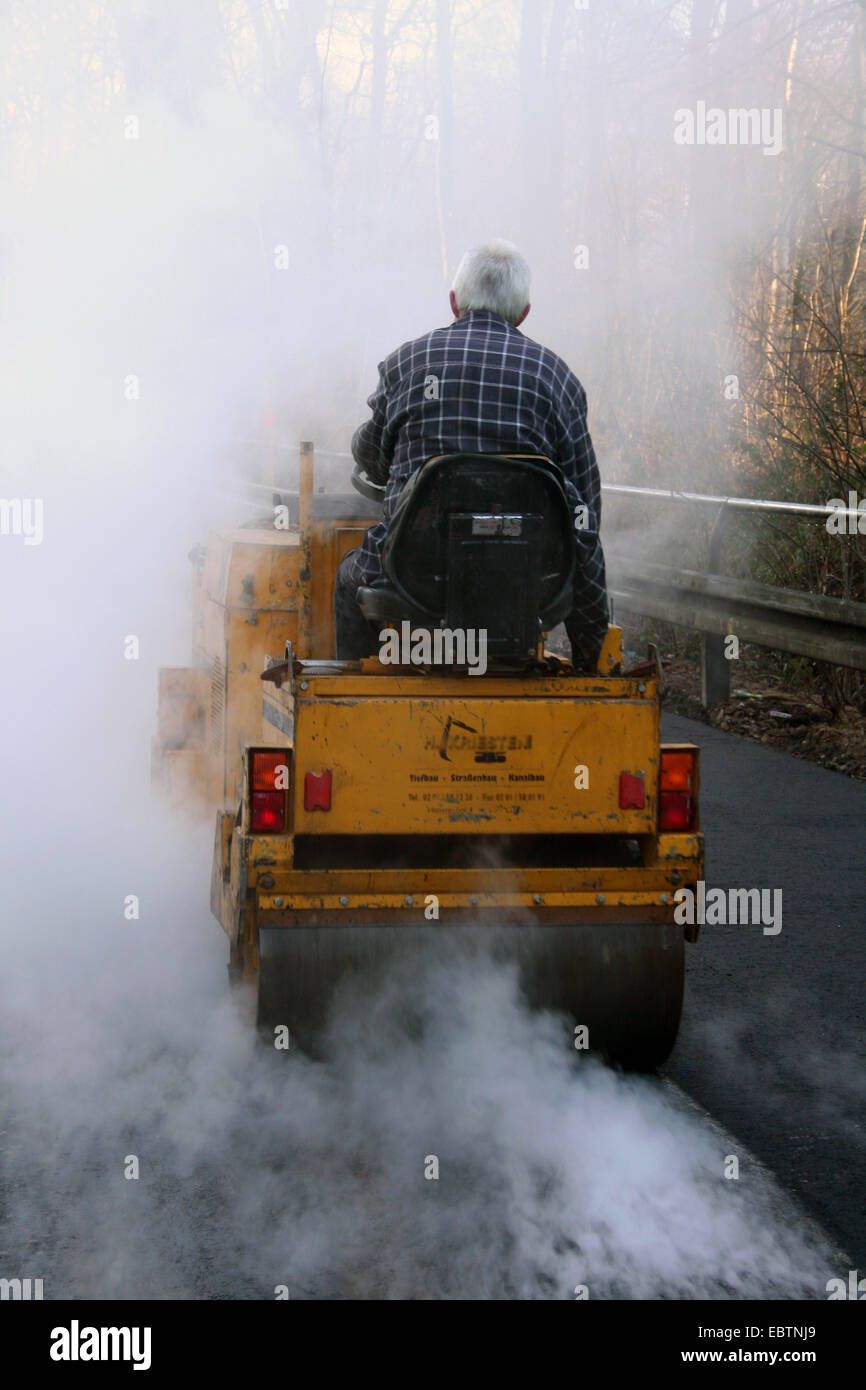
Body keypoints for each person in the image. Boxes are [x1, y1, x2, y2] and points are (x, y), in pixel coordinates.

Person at [334, 238, 608, 668]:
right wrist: (592, 653)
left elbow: (371, 456)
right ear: (523, 313)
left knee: (349, 576)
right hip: (526, 587)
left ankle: (355, 696)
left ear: (454, 302)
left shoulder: (406, 365)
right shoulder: (557, 380)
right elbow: (585, 516)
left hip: (412, 582)